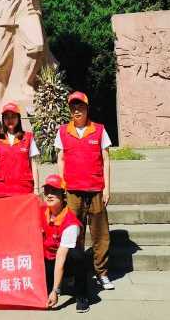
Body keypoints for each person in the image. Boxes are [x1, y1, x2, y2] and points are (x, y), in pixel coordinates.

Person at [56, 91, 115, 291]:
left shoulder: (99, 130)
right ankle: (75, 274)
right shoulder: (63, 131)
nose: (77, 110)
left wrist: (107, 188)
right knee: (74, 234)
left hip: (96, 189)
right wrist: (61, 187)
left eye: (80, 106)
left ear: (87, 108)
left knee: (100, 234)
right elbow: (60, 159)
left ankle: (102, 273)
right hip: (73, 191)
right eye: (73, 106)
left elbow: (106, 159)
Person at [41, 174, 89, 313]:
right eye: (47, 191)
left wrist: (55, 291)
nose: (49, 195)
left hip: (65, 261)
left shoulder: (70, 223)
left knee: (77, 255)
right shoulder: (40, 211)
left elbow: (61, 257)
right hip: (46, 258)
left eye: (54, 191)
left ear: (63, 196)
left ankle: (81, 295)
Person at [0, 101, 39, 198]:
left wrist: (36, 189)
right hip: (2, 190)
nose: (10, 120)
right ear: (3, 119)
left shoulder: (28, 137)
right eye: (6, 117)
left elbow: (33, 164)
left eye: (13, 116)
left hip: (24, 190)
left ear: (18, 118)